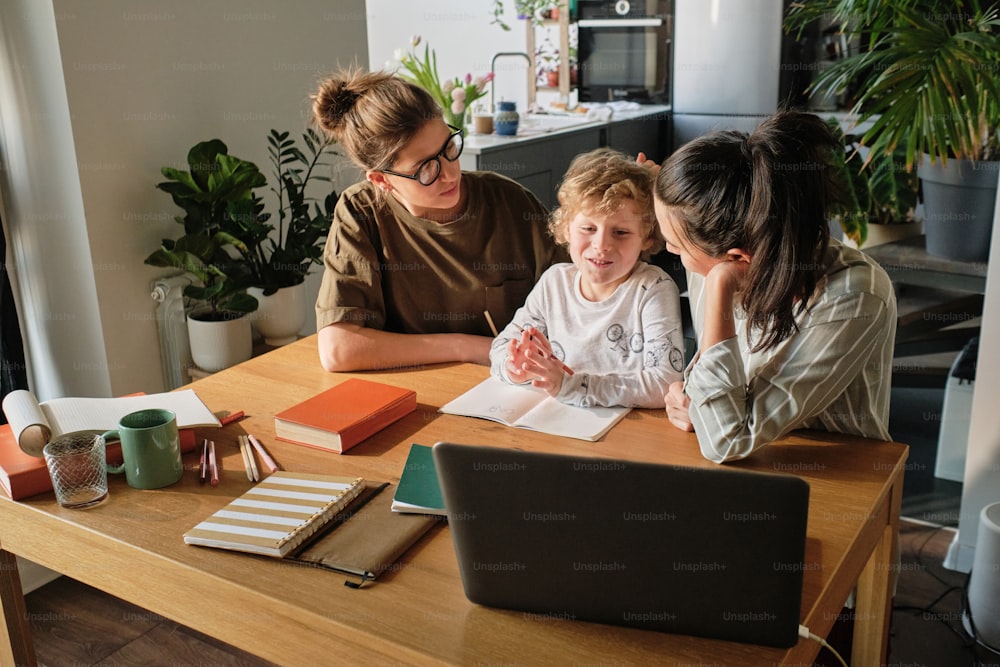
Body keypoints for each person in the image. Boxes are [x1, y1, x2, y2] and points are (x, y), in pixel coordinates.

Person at [653, 110, 897, 463]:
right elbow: (704, 404)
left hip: (838, 474)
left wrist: (720, 285)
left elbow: (727, 440)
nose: (670, 252)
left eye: (675, 248)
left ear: (737, 258)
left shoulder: (855, 296)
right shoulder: (727, 255)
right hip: (755, 468)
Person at [310, 68, 564, 372]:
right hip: (420, 394)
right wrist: (465, 346)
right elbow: (339, 349)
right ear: (381, 180)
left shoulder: (508, 201)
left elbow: (587, 291)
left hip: (516, 390)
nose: (449, 173)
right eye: (426, 168)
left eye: (449, 148)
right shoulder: (361, 213)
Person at [490, 148, 685, 408]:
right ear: (566, 229)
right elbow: (501, 346)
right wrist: (515, 367)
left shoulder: (653, 288)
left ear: (647, 238)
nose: (601, 244)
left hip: (629, 432)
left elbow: (665, 383)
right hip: (558, 422)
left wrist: (570, 386)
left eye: (621, 232)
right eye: (588, 228)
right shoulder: (554, 283)